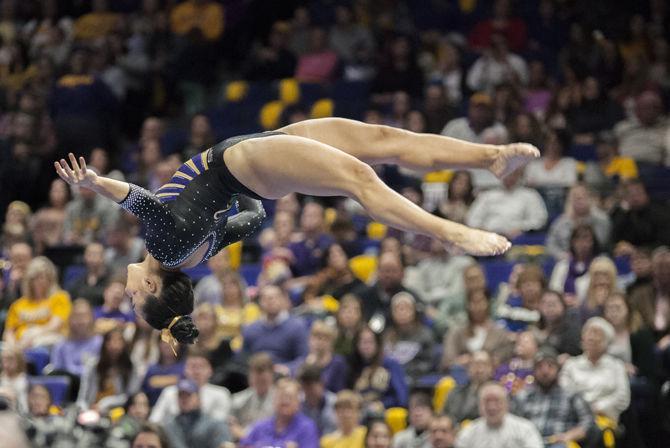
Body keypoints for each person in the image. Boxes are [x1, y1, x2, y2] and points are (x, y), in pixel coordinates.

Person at [54, 117, 539, 342]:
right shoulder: (161, 246)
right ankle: (451, 233)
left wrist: (246, 187)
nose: (125, 291)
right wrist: (95, 184)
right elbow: (142, 201)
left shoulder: (193, 257)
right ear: (153, 287)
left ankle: (490, 158)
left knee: (383, 141)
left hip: (255, 161)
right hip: (244, 159)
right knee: (361, 177)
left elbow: (256, 216)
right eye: (135, 299)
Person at [512, 347, 595, 448]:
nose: (545, 371)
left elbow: (588, 422)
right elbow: (512, 423)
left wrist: (569, 436)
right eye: (540, 366)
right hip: (528, 443)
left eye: (550, 366)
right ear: (534, 371)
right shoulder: (523, 396)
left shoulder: (571, 395)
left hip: (559, 443)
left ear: (558, 369)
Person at [559, 317, 631, 424]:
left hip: (605, 418)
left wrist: (598, 407)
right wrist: (582, 408)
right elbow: (564, 391)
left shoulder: (616, 366)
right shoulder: (571, 365)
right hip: (574, 418)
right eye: (589, 333)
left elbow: (622, 397)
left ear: (607, 341)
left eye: (598, 334)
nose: (592, 337)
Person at [454, 382, 543, 448]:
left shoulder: (525, 429)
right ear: (479, 405)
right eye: (487, 401)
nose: (492, 407)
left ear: (507, 404)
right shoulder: (468, 432)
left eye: (497, 401)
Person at [240, 377, 319, 448]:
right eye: (281, 396)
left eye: (290, 397)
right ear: (274, 400)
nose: (285, 401)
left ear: (299, 403)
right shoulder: (260, 426)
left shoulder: (307, 428)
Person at [162, 379, 231, 448]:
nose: (184, 399)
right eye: (181, 395)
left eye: (188, 395)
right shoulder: (169, 424)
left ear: (198, 399)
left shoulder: (214, 425)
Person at [230, 353, 276, 440]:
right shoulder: (238, 400)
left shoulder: (280, 400)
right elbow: (232, 427)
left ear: (272, 375)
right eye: (256, 379)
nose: (259, 383)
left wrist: (246, 435)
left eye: (263, 381)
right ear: (249, 377)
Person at [443, 350, 495, 424]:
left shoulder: (500, 394)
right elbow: (445, 417)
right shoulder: (455, 393)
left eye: (484, 364)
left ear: (492, 369)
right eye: (475, 364)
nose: (479, 369)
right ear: (468, 369)